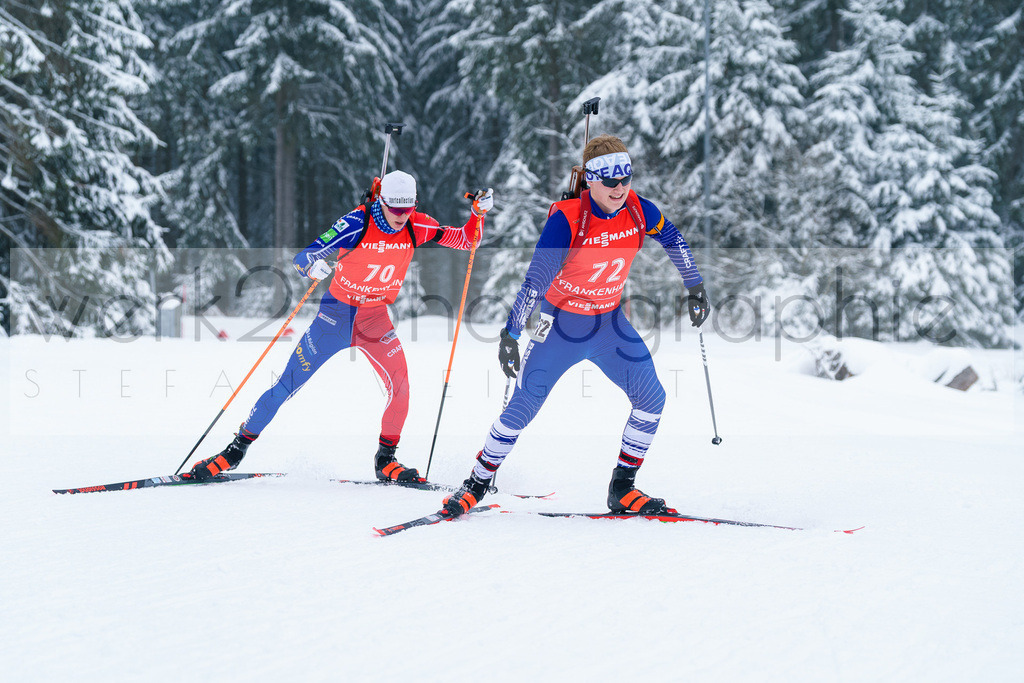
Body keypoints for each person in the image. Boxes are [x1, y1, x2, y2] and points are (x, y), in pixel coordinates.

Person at [441, 135, 708, 516]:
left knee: (652, 399)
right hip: (561, 326)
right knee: (524, 405)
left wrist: (695, 286)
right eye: (609, 180)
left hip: (609, 324)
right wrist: (511, 333)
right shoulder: (568, 219)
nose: (619, 188)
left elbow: (673, 238)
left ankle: (623, 487)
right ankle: (476, 483)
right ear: (591, 179)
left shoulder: (639, 210)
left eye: (626, 177)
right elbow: (536, 279)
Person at [188, 171, 493, 482]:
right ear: (382, 201)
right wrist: (312, 267)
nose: (402, 217)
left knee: (401, 387)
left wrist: (477, 215)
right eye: (396, 209)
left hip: (375, 319)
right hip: (335, 318)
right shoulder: (356, 223)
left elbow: (468, 240)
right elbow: (304, 256)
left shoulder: (418, 224)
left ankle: (386, 460)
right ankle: (235, 450)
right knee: (286, 385)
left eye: (408, 208)